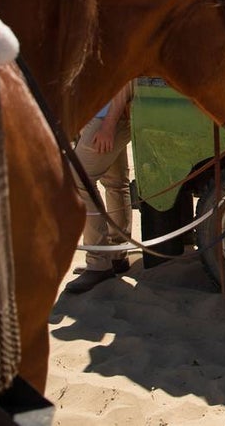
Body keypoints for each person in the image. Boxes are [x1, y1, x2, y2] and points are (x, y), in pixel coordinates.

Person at [63, 81, 135, 294]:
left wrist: (108, 125)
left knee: (78, 181)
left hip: (106, 118)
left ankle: (98, 263)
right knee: (115, 183)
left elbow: (123, 78)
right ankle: (116, 254)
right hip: (102, 117)